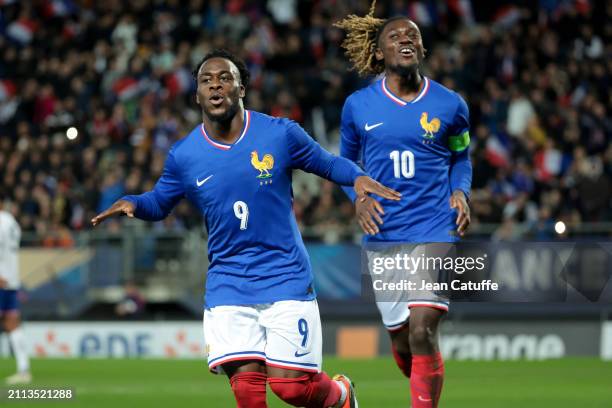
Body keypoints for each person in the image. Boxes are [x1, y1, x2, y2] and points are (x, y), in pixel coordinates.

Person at [92, 48, 401, 408]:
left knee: (292, 389)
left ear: (242, 89)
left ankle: (341, 395)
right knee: (247, 393)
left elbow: (329, 164)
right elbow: (160, 202)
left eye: (225, 78)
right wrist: (134, 203)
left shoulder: (280, 134)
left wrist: (359, 178)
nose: (215, 85)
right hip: (228, 283)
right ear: (197, 96)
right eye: (206, 80)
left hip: (285, 276)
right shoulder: (184, 155)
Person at [335, 2, 472, 407]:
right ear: (379, 53)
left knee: (423, 329)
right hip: (384, 235)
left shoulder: (451, 105)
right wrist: (357, 197)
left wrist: (461, 191)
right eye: (395, 36)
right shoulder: (358, 106)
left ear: (423, 49)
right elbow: (345, 165)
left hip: (436, 228)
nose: (406, 39)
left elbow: (461, 156)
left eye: (413, 35)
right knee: (403, 339)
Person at [0, 194, 32, 385]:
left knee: (11, 323)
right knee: (12, 323)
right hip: (11, 278)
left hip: (1, 278)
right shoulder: (12, 222)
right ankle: (23, 369)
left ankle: (23, 370)